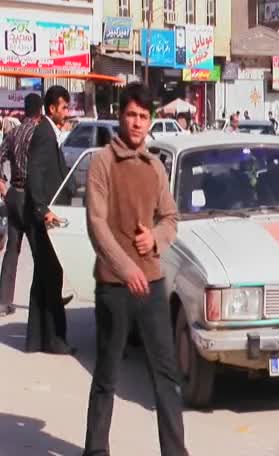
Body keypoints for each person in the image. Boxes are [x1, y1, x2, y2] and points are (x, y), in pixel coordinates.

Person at [82, 82, 188, 456]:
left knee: (166, 377)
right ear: (119, 116)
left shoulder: (155, 166)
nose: (137, 123)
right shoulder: (102, 162)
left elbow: (171, 218)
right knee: (107, 375)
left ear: (151, 121)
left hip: (153, 283)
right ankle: (96, 450)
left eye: (144, 116)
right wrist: (126, 267)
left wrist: (155, 240)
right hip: (114, 284)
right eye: (131, 115)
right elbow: (96, 223)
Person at [25, 86, 75, 354]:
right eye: (64, 107)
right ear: (52, 108)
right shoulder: (44, 133)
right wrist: (43, 208)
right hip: (43, 217)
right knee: (52, 276)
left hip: (47, 211)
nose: (67, 112)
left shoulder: (50, 132)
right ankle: (55, 340)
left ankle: (35, 340)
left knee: (43, 278)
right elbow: (34, 172)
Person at [0, 94, 45, 317]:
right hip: (30, 198)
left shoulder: (12, 133)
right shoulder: (38, 134)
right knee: (41, 251)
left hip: (13, 195)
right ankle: (47, 298)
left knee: (11, 250)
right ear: (40, 111)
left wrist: (2, 183)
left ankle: (3, 301)